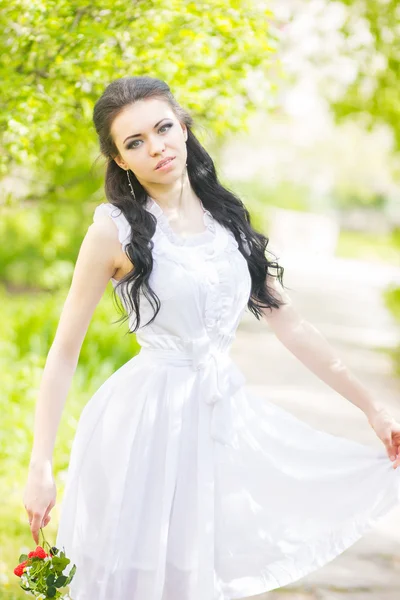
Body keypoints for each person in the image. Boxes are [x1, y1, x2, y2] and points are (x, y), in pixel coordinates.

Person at [23, 76, 400, 600]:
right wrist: (41, 465)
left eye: (162, 128)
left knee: (196, 574)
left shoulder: (228, 218)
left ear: (183, 127)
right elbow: (65, 352)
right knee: (137, 574)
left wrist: (372, 408)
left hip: (220, 417)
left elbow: (290, 323)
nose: (155, 147)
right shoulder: (113, 231)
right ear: (120, 160)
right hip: (145, 425)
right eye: (134, 142)